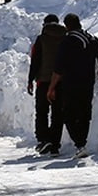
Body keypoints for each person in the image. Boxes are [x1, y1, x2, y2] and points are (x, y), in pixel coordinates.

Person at [47, 14, 98, 158]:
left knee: (69, 115)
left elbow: (58, 67)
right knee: (84, 113)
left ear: (67, 26)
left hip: (71, 83)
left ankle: (79, 143)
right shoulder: (92, 39)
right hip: (88, 82)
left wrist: (51, 88)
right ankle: (82, 143)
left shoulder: (68, 41)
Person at [27, 14, 66, 155]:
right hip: (61, 82)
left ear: (45, 24)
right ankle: (55, 144)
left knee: (42, 112)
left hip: (43, 81)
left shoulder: (41, 39)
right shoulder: (65, 38)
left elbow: (35, 61)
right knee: (57, 114)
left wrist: (30, 80)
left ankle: (44, 140)